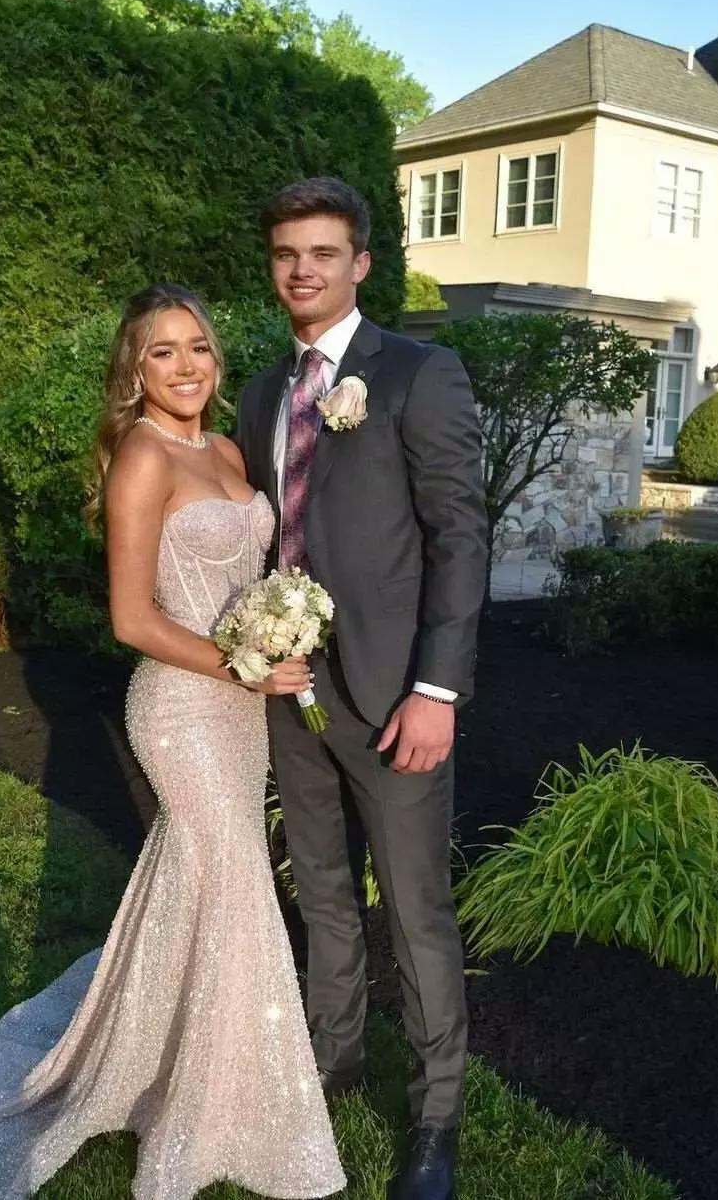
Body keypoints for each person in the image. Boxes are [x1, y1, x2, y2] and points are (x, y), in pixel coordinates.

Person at [0, 284, 346, 1200]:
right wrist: (245, 665)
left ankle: (182, 1063)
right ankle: (214, 1107)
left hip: (239, 711)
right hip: (183, 711)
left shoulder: (226, 451)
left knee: (201, 887)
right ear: (134, 370)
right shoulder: (143, 459)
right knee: (234, 885)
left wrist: (280, 633)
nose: (186, 366)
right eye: (162, 351)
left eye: (198, 347)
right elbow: (132, 618)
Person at [235, 179, 487, 1200]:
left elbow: (460, 537)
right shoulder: (262, 393)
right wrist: (259, 647)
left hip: (393, 700)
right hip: (292, 690)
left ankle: (435, 1117)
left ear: (361, 265)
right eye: (286, 253)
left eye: (323, 252)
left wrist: (437, 690)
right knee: (324, 892)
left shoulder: (418, 374)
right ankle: (331, 1062)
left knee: (417, 913)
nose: (303, 269)